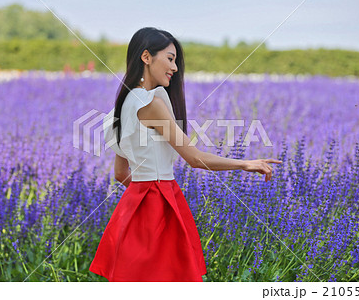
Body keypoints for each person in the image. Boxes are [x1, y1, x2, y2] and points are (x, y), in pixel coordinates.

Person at [89, 27, 282, 282]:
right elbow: (194, 158)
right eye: (170, 58)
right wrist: (245, 163)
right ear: (146, 57)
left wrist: (142, 193)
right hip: (160, 204)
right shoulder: (151, 103)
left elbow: (120, 173)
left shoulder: (122, 104)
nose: (175, 68)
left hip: (133, 208)